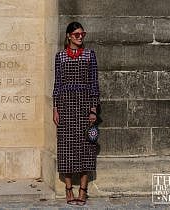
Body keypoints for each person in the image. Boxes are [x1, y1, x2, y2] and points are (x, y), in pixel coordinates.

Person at [52, 21, 100, 206]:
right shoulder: (60, 57)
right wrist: (55, 108)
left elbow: (94, 83)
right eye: (77, 34)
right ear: (69, 36)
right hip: (65, 105)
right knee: (66, 147)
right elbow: (57, 84)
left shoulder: (89, 55)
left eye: (82, 34)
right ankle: (68, 189)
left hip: (85, 104)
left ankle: (83, 190)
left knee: (86, 147)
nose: (80, 37)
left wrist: (93, 109)